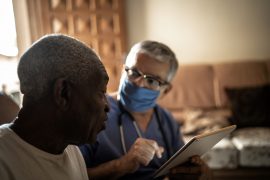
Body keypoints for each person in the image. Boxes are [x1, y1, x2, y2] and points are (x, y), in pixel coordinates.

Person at [79, 41, 213, 180]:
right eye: (134, 72)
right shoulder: (93, 112)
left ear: (166, 90)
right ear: (123, 70)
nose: (139, 83)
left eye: (152, 81)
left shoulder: (167, 120)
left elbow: (180, 168)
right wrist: (121, 165)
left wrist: (202, 174)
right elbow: (74, 175)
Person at [0, 34, 110, 180]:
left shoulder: (71, 150)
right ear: (63, 94)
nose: (107, 106)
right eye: (101, 92)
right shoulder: (4, 163)